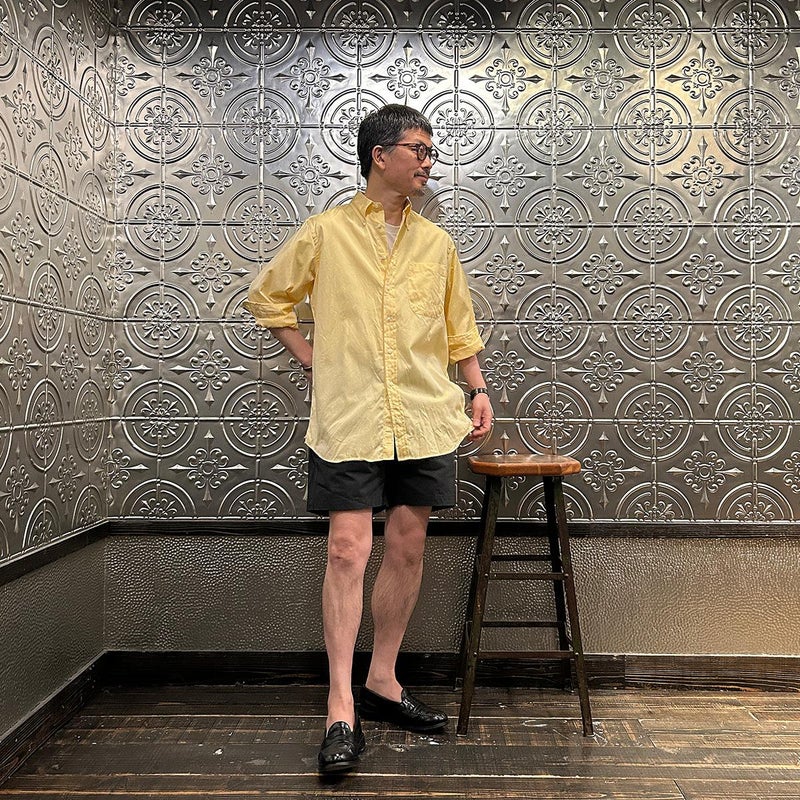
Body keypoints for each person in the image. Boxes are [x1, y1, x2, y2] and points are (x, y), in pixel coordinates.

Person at [244, 104, 493, 774]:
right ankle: (339, 706)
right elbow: (267, 298)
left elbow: (459, 327)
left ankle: (382, 679)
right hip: (350, 416)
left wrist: (477, 388)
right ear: (380, 155)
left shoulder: (436, 245)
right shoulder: (326, 232)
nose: (428, 162)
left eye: (432, 152)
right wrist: (310, 357)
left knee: (407, 547)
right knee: (348, 549)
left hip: (423, 414)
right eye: (419, 149)